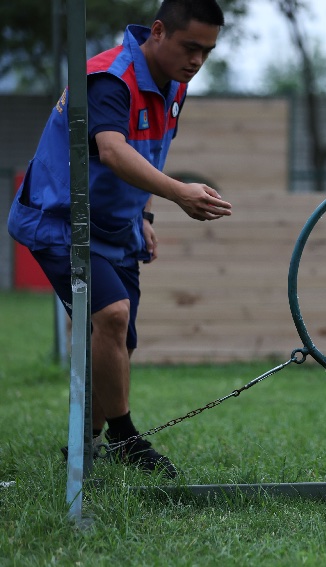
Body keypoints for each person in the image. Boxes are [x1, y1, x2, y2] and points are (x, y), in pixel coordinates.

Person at [7, 0, 232, 477]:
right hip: (61, 223)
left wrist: (145, 213)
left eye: (207, 52)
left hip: (117, 226)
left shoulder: (175, 84)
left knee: (117, 339)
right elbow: (112, 150)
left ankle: (82, 441)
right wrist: (177, 195)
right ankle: (126, 439)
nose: (197, 60)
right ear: (157, 31)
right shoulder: (111, 79)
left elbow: (150, 148)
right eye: (190, 47)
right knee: (110, 315)